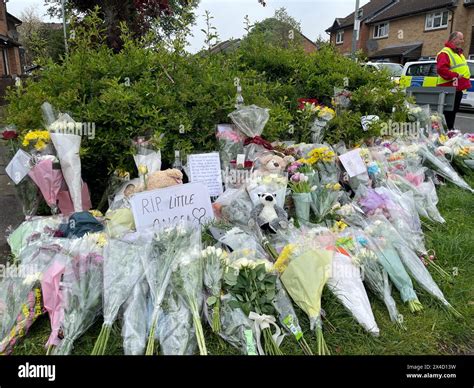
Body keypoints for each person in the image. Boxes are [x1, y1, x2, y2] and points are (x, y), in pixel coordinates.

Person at [436, 31, 472, 130]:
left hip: (456, 89)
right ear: (454, 39)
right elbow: (441, 70)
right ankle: (445, 133)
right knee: (448, 114)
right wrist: (455, 75)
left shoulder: (458, 53)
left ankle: (449, 132)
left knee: (452, 113)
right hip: (449, 88)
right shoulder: (445, 53)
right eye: (461, 39)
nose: (463, 41)